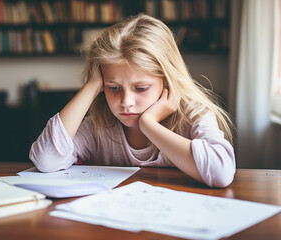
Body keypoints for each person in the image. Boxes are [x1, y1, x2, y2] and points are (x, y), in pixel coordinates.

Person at [29, 14, 236, 188]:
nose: (126, 102)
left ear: (167, 80)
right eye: (114, 88)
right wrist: (91, 85)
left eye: (141, 88)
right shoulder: (99, 126)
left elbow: (221, 172)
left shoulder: (194, 114)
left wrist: (149, 125)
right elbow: (46, 160)